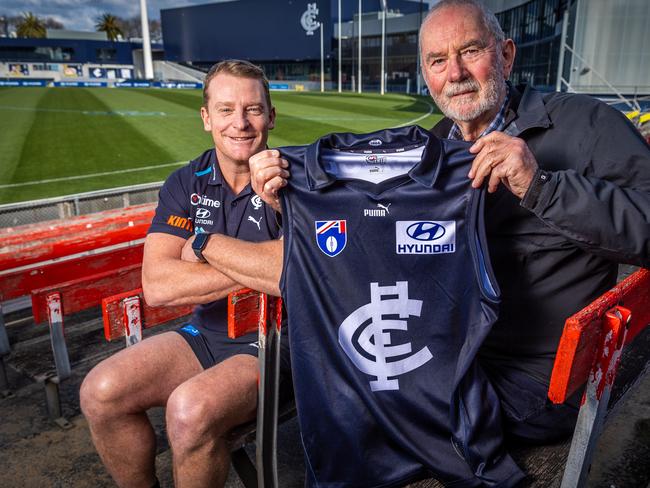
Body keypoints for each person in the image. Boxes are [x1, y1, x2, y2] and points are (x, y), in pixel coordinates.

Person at [248, 0, 650, 444]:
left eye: (471, 51)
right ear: (426, 73)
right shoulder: (432, 146)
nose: (455, 73)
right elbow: (374, 243)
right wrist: (294, 207)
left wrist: (540, 186)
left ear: (506, 55)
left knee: (361, 424)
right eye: (438, 61)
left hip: (536, 377)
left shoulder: (589, 124)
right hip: (446, 356)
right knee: (336, 398)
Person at [80, 60, 288, 488]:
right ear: (206, 118)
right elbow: (157, 285)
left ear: (271, 116)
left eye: (252, 109)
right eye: (226, 109)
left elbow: (291, 271)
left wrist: (202, 247)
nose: (241, 123)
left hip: (279, 348)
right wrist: (259, 265)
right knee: (100, 391)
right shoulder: (185, 182)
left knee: (188, 410)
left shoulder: (296, 179)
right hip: (206, 335)